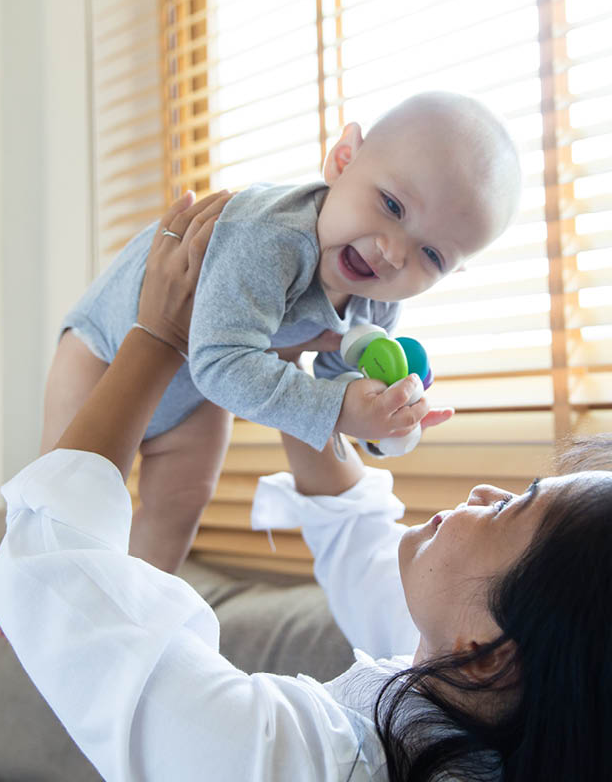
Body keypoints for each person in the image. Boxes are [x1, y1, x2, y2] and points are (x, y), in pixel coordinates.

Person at [0, 194, 612, 781]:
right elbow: (359, 538)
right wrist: (301, 377)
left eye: (511, 508)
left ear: (486, 656)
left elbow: (57, 574)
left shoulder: (308, 761)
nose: (483, 490)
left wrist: (157, 336)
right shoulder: (479, 705)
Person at [41, 91, 523, 572]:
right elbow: (224, 361)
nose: (393, 252)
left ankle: (136, 612)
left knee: (182, 502)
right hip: (106, 352)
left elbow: (339, 386)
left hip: (195, 390)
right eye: (392, 206)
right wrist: (338, 411)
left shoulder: (376, 304)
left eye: (432, 255)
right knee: (67, 497)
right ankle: (38, 570)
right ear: (343, 160)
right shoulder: (270, 236)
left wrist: (383, 422)